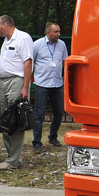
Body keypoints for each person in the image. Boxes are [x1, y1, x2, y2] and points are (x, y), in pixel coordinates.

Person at [0, 14, 33, 171]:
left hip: (17, 80)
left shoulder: (22, 38)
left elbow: (27, 62)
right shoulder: (5, 41)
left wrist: (25, 87)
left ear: (6, 24)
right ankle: (12, 157)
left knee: (14, 119)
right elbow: (3, 66)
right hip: (4, 82)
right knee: (5, 119)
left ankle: (13, 160)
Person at [31, 22, 68, 150]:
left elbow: (64, 61)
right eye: (56, 32)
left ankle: (53, 136)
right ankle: (36, 141)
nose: (59, 34)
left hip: (57, 83)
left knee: (59, 112)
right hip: (42, 83)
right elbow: (31, 61)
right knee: (39, 113)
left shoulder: (62, 44)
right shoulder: (37, 44)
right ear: (48, 32)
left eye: (59, 31)